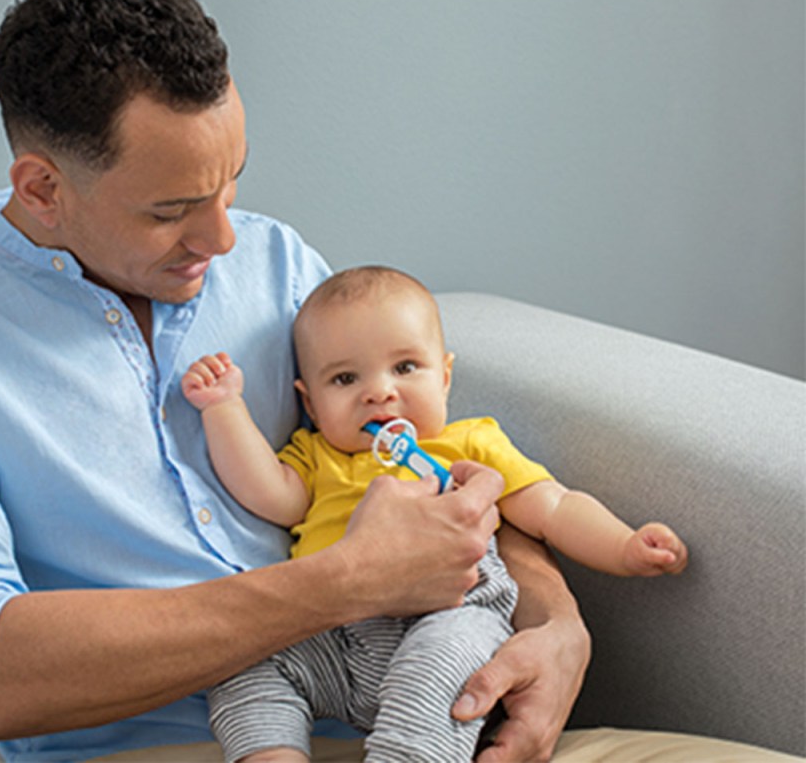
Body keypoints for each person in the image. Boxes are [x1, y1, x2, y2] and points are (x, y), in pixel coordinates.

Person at [0, 0, 591, 761]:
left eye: (232, 182)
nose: (225, 236)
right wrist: (343, 581)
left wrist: (554, 623)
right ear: (42, 189)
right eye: (172, 210)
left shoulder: (281, 268)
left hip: (401, 721)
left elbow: (426, 470)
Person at [182, 266, 688, 762]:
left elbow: (551, 508)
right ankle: (272, 754)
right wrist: (224, 409)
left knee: (436, 666)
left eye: (404, 368)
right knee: (243, 662)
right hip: (335, 639)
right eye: (344, 378)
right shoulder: (318, 457)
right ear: (310, 403)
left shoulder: (467, 443)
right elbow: (267, 492)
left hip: (453, 616)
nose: (378, 392)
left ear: (444, 378)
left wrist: (624, 546)